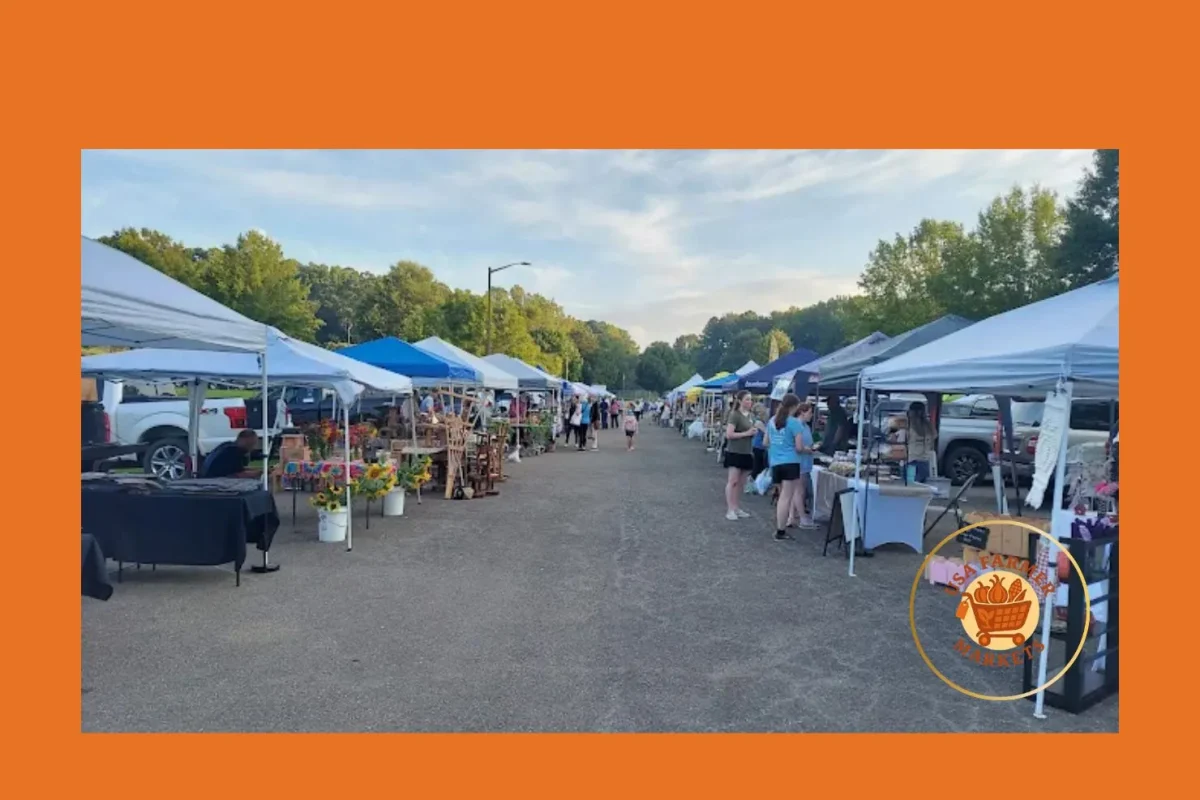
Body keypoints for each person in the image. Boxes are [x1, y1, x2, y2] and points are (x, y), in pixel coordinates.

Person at [766, 394, 816, 541]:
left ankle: (781, 527)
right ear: (794, 407)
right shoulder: (794, 423)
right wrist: (809, 450)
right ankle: (780, 530)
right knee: (786, 497)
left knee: (781, 496)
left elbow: (766, 442)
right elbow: (799, 448)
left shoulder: (772, 421)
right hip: (791, 462)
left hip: (775, 462)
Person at [723, 390, 757, 520]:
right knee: (733, 481)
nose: (750, 402)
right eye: (747, 399)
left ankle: (736, 507)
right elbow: (729, 434)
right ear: (740, 401)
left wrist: (753, 432)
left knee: (741, 483)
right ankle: (730, 509)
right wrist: (746, 433)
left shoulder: (751, 416)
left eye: (751, 399)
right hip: (735, 451)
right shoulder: (735, 415)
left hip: (747, 451)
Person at [783, 402, 817, 529]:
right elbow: (797, 446)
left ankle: (791, 517)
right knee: (799, 491)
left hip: (805, 461)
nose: (811, 415)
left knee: (795, 490)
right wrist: (808, 450)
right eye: (810, 412)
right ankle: (803, 518)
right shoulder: (796, 425)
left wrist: (812, 447)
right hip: (799, 461)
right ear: (802, 412)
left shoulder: (806, 427)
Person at [898, 403, 935, 483]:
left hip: (910, 461)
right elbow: (932, 443)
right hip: (925, 462)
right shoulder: (929, 426)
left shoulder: (908, 426)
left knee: (910, 489)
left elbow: (900, 442)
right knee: (921, 489)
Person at [750, 402, 769, 480]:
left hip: (760, 446)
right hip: (758, 446)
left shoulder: (761, 421)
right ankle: (751, 483)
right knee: (757, 466)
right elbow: (766, 432)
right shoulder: (758, 422)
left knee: (759, 466)